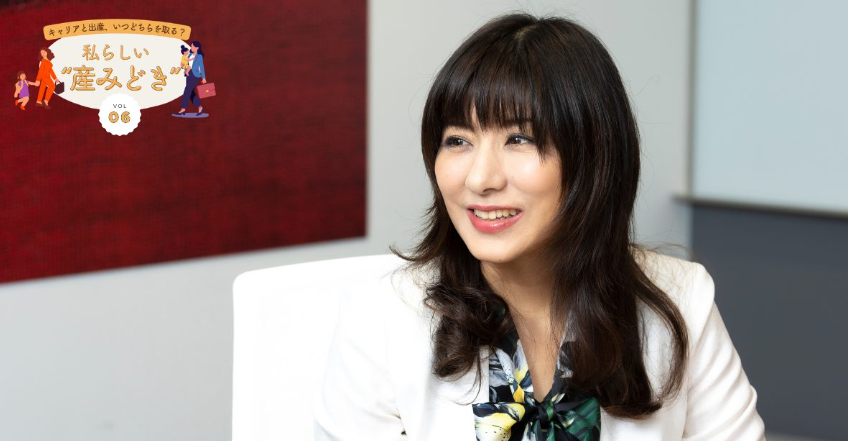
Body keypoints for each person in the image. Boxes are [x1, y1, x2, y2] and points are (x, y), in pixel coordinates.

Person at [313, 13, 766, 440]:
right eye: (458, 140)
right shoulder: (381, 320)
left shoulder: (682, 300)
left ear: (593, 157)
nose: (480, 179)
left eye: (519, 138)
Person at [173, 40, 207, 117]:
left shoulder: (199, 56)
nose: (191, 47)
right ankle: (200, 107)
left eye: (192, 46)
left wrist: (204, 77)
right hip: (188, 74)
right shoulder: (189, 55)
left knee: (187, 90)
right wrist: (182, 66)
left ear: (197, 48)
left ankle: (183, 108)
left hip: (195, 75)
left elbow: (201, 67)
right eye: (191, 46)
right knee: (191, 92)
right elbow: (186, 63)